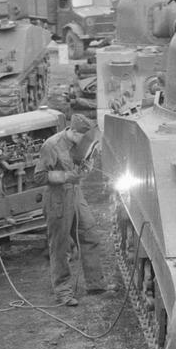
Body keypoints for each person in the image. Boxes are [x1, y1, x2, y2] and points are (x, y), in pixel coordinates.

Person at [34, 114, 116, 307]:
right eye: (82, 138)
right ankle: (63, 292)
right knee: (60, 246)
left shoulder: (81, 142)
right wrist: (66, 176)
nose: (83, 143)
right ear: (73, 131)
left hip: (75, 194)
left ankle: (96, 284)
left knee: (90, 234)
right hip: (57, 198)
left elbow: (80, 164)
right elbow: (39, 177)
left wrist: (86, 168)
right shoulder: (51, 145)